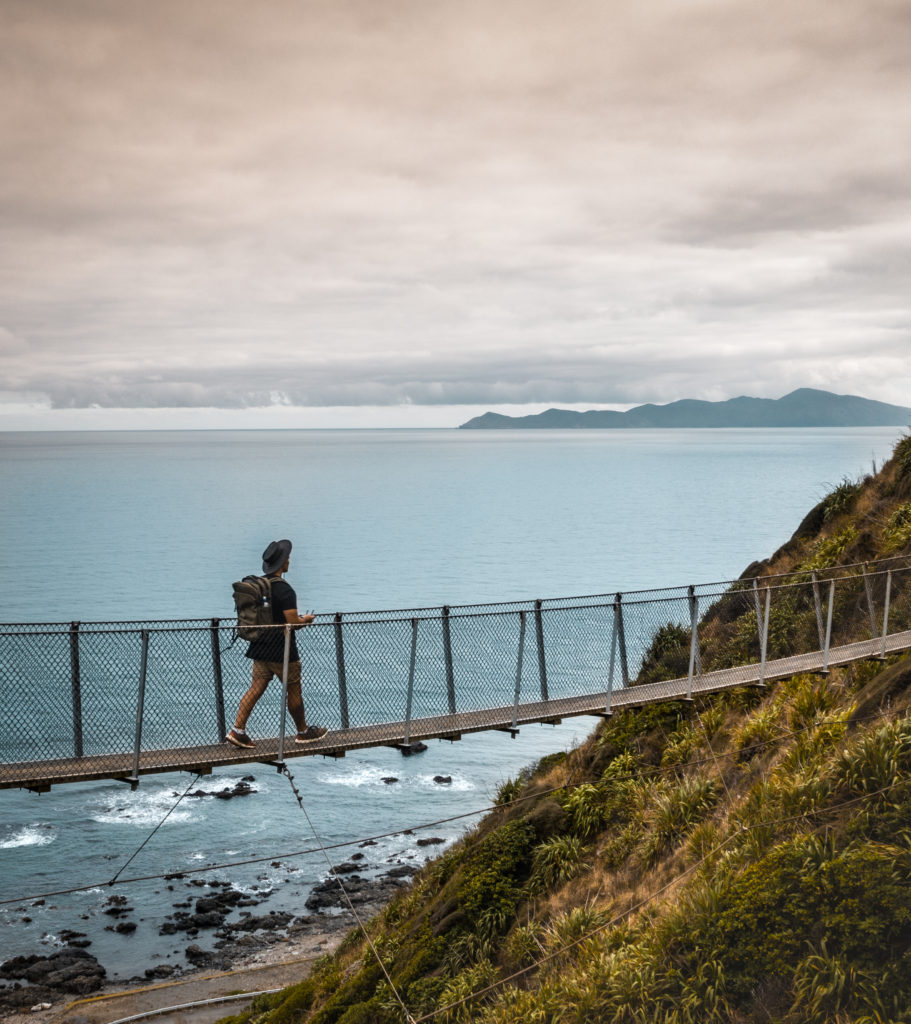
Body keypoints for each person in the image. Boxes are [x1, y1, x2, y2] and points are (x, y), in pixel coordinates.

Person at [226, 539, 328, 749]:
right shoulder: (285, 590)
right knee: (294, 690)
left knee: (255, 689)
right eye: (287, 558)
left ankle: (238, 731)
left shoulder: (260, 586)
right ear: (283, 563)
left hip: (260, 646)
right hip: (283, 650)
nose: (289, 560)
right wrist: (305, 620)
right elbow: (292, 623)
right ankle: (302, 733)